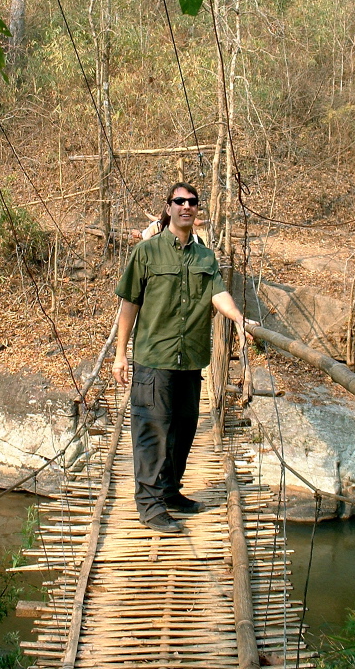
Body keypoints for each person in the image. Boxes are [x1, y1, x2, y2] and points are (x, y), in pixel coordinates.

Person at [113, 182, 250, 534]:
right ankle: (149, 505)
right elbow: (129, 303)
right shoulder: (147, 252)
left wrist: (236, 317)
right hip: (153, 358)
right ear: (169, 207)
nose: (186, 206)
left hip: (190, 359)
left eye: (191, 202)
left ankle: (170, 493)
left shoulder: (205, 257)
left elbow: (217, 291)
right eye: (179, 201)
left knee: (184, 430)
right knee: (152, 432)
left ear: (196, 209)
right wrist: (120, 354)